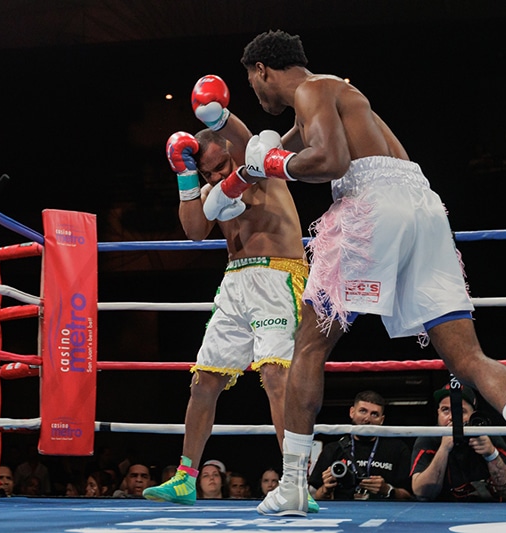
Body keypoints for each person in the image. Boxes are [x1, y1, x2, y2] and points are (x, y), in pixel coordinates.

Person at [199, 29, 506, 520]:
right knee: (466, 356)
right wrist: (246, 166)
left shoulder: (312, 90)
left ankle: (292, 485)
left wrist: (269, 159)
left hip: (371, 206)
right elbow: (267, 155)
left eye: (253, 84)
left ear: (262, 70)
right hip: (423, 208)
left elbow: (324, 161)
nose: (258, 94)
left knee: (309, 347)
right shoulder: (330, 94)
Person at [143, 76, 309, 509]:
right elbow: (196, 232)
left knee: (276, 376)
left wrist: (215, 114)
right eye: (207, 172)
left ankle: (296, 482)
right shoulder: (214, 186)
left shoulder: (258, 163)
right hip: (235, 280)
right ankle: (185, 478)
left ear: (234, 154)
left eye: (219, 167)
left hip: (278, 273)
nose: (216, 176)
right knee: (203, 382)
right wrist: (185, 177)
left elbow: (239, 133)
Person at [411, 384, 506, 502]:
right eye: (445, 410)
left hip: (488, 512)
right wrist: (444, 449)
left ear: (473, 414)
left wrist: (491, 454)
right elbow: (420, 492)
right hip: (442, 513)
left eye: (460, 411)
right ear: (438, 412)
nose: (452, 417)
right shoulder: (429, 438)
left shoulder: (489, 436)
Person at [309, 390, 413, 501]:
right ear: (352, 412)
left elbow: (410, 495)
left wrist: (388, 490)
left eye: (374, 414)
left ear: (382, 420)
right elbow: (313, 496)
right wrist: (326, 489)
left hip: (384, 512)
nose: (367, 419)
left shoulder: (398, 449)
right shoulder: (332, 449)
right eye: (363, 411)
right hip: (341, 511)